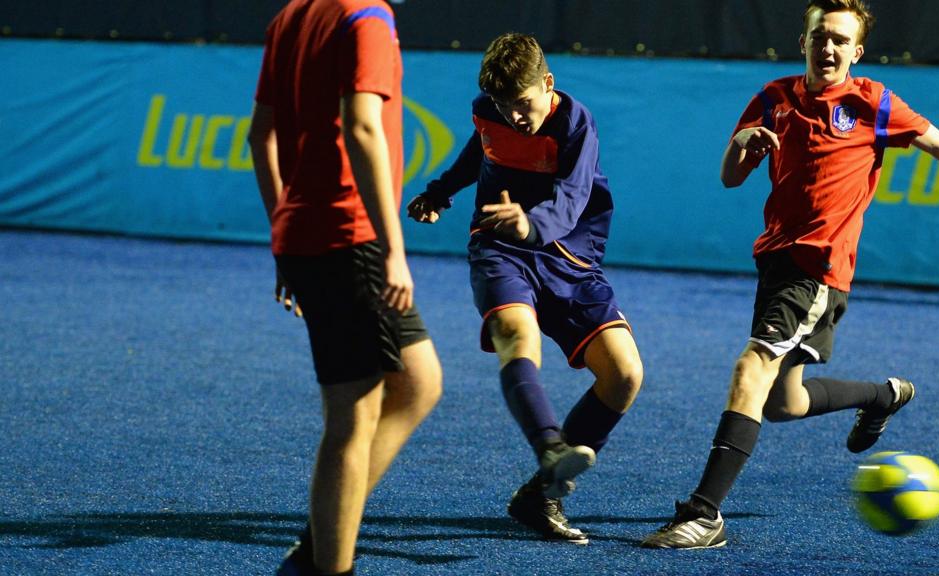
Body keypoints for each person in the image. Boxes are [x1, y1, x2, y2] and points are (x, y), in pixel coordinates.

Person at [641, 0, 939, 550]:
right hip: (775, 262)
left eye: (841, 40)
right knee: (782, 402)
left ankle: (704, 514)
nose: (829, 47)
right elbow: (730, 178)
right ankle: (881, 395)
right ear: (803, 41)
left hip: (817, 270)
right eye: (821, 36)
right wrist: (740, 146)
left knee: (752, 368)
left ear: (857, 51)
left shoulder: (871, 102)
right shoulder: (773, 98)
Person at [407, 32, 644, 545]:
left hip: (570, 259)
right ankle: (552, 450)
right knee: (519, 336)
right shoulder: (487, 111)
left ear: (549, 84)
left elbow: (573, 199)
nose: (515, 116)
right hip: (500, 250)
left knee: (625, 374)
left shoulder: (576, 123)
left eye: (524, 103)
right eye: (503, 105)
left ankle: (538, 496)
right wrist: (440, 191)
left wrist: (531, 226)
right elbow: (482, 150)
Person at [248, 1, 443, 574]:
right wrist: (394, 248)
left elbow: (262, 137)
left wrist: (283, 226)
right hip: (348, 236)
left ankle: (315, 548)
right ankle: (327, 565)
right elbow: (361, 126)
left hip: (312, 234)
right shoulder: (368, 17)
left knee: (418, 383)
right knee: (352, 418)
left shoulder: (291, 16)